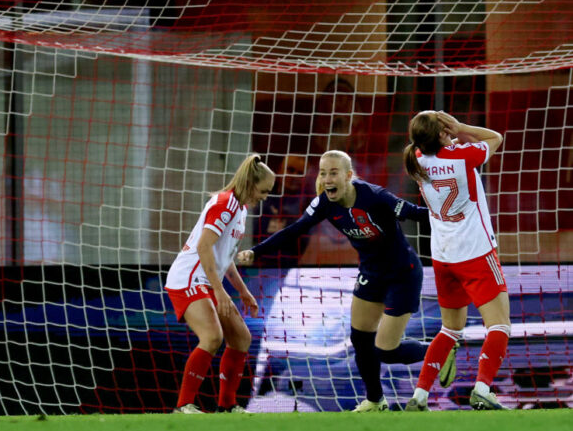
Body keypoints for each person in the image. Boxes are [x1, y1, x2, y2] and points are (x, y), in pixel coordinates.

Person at [237, 150, 457, 412]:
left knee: (386, 350)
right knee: (360, 339)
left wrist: (455, 217)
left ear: (348, 176)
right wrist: (256, 251)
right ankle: (375, 401)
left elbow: (414, 212)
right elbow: (294, 230)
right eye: (322, 172)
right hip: (371, 274)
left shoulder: (374, 196)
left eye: (333, 173)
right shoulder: (324, 204)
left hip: (403, 274)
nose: (327, 178)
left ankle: (440, 350)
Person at [403, 111, 509, 411]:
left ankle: (420, 396)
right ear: (441, 134)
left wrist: (444, 132)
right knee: (500, 325)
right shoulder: (462, 157)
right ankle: (483, 388)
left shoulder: (415, 159)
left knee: (450, 329)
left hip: (442, 256)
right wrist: (461, 127)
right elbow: (495, 138)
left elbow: (424, 147)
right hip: (475, 252)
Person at [166, 154, 275, 414]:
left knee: (241, 339)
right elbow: (204, 246)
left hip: (206, 278)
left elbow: (223, 258)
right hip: (188, 278)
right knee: (212, 337)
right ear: (250, 184)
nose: (265, 197)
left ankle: (227, 406)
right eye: (263, 191)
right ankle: (184, 406)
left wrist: (243, 291)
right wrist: (219, 291)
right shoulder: (226, 204)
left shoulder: (240, 209)